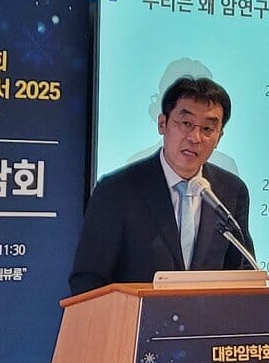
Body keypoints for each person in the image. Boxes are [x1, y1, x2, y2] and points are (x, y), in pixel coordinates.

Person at [69, 77, 254, 295]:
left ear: (219, 137)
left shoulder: (231, 191)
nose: (195, 138)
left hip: (207, 317)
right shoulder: (117, 191)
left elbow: (242, 270)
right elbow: (88, 280)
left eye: (207, 129)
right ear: (162, 123)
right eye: (186, 124)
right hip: (136, 316)